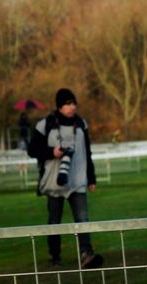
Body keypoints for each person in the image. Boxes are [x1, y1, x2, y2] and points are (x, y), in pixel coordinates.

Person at [28, 88, 103, 269]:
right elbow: (32, 150)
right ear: (59, 106)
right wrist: (51, 152)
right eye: (68, 104)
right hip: (55, 182)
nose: (72, 107)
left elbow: (87, 152)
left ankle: (86, 254)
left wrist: (91, 177)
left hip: (77, 180)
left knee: (82, 218)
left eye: (73, 103)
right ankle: (55, 257)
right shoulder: (45, 125)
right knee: (55, 221)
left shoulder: (81, 124)